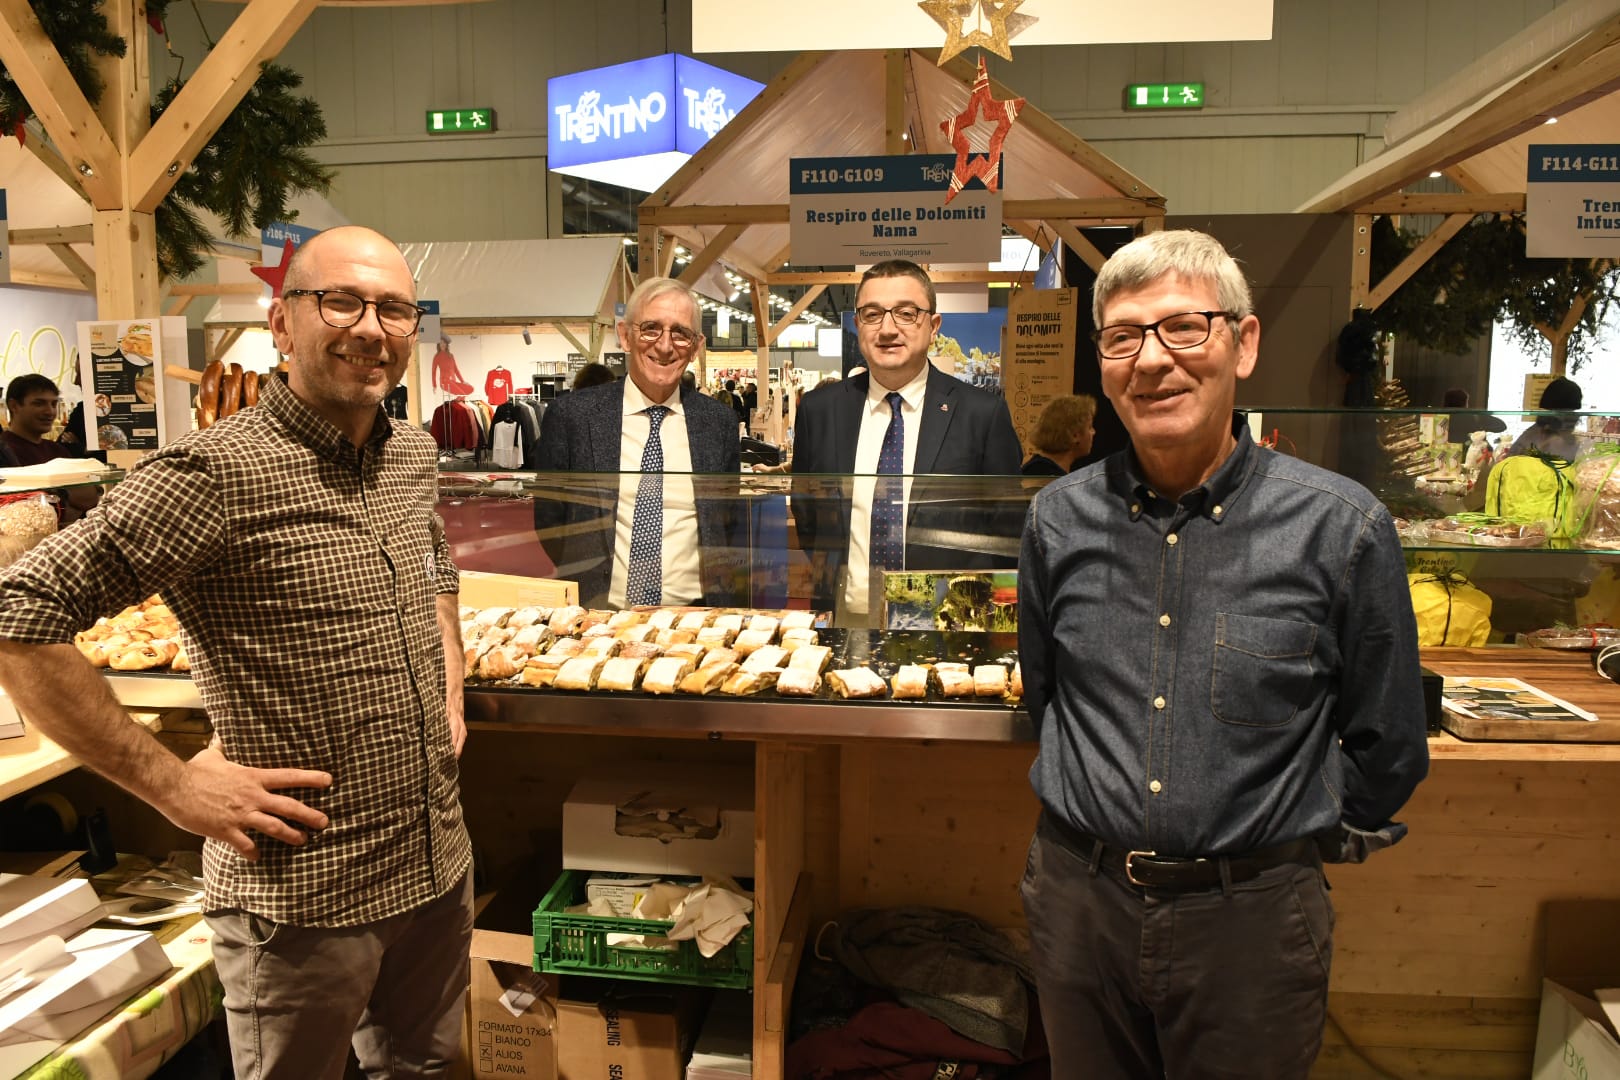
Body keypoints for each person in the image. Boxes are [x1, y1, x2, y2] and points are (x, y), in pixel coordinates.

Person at [0, 225, 473, 1079]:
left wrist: (450, 684)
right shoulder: (215, 472)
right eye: (341, 302)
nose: (371, 328)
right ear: (283, 322)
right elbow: (20, 613)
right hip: (304, 900)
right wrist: (173, 787)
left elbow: (433, 558)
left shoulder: (409, 452)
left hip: (435, 863)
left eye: (395, 309)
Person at [1017, 229, 1429, 1080]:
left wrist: (1280, 844)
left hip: (1252, 929)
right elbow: (1044, 695)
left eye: (1182, 327)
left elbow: (1387, 744)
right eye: (1123, 337)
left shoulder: (1340, 528)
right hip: (1079, 909)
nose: (1151, 360)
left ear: (1243, 344)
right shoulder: (1057, 520)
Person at [791, 259, 1023, 623]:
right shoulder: (819, 411)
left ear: (933, 326)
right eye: (872, 314)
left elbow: (1007, 534)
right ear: (858, 325)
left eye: (906, 313)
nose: (887, 329)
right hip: (849, 618)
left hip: (947, 622)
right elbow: (808, 516)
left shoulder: (982, 414)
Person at [534, 276, 745, 608]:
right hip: (599, 616)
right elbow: (550, 519)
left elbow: (727, 523)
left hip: (696, 616)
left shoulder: (718, 423)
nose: (665, 346)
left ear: (696, 346)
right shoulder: (572, 416)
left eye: (680, 333)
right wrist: (589, 581)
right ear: (625, 336)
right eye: (650, 329)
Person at [3, 374, 72, 466]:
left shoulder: (59, 452)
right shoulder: (4, 453)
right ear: (14, 406)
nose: (50, 412)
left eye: (53, 404)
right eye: (39, 404)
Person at [1021, 394, 1098, 476]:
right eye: (1089, 427)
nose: (1094, 432)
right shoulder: (1047, 477)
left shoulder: (1036, 469)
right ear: (1074, 435)